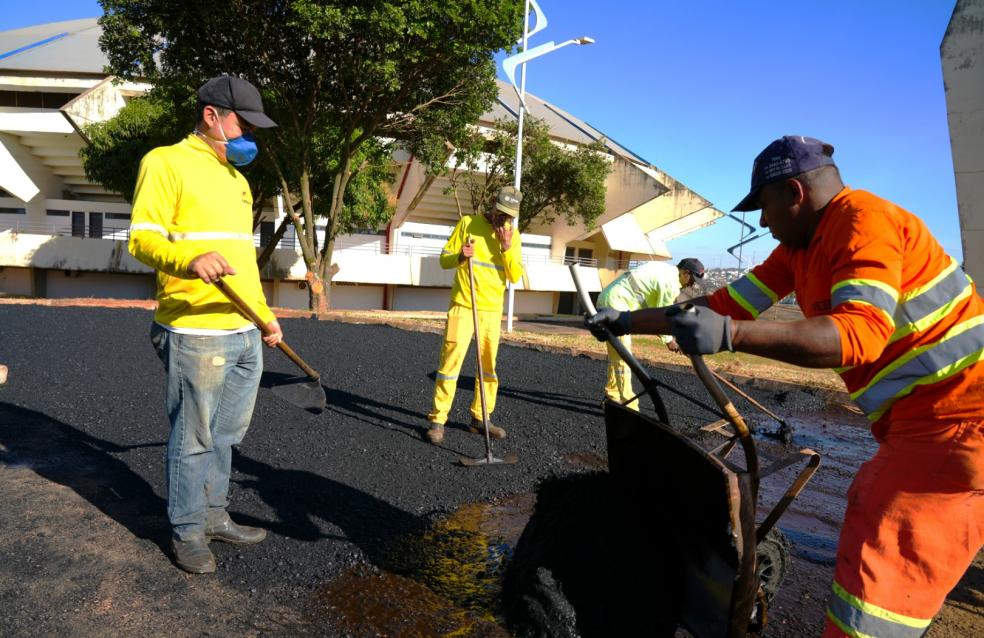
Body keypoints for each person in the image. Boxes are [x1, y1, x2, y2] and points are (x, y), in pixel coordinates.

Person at [586, 135, 983, 637]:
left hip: (960, 423)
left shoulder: (865, 222)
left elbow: (856, 335)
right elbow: (716, 308)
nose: (762, 222)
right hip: (923, 423)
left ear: (794, 192)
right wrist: (625, 321)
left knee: (883, 546)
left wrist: (732, 337)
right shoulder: (797, 251)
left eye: (764, 206)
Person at [128, 76, 283, 574]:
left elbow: (243, 260)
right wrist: (189, 258)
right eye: (243, 123)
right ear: (212, 115)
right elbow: (141, 239)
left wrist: (265, 317)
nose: (250, 136)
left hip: (242, 329)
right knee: (193, 437)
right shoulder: (165, 162)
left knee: (227, 435)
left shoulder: (237, 180)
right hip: (193, 330)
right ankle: (187, 530)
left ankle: (215, 515)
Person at [426, 187, 525, 444]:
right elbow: (444, 259)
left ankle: (481, 417)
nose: (504, 220)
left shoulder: (513, 238)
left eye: (510, 217)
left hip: (492, 310)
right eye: (502, 213)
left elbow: (515, 275)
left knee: (488, 368)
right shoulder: (468, 224)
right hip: (463, 305)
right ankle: (438, 420)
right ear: (494, 206)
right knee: (450, 364)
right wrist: (460, 256)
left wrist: (505, 248)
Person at [596, 258, 705, 409]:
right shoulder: (671, 285)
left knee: (617, 354)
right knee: (624, 357)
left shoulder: (663, 268)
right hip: (616, 306)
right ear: (686, 272)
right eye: (693, 280)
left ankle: (612, 395)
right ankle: (630, 406)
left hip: (609, 299)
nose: (692, 284)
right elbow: (662, 317)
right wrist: (669, 341)